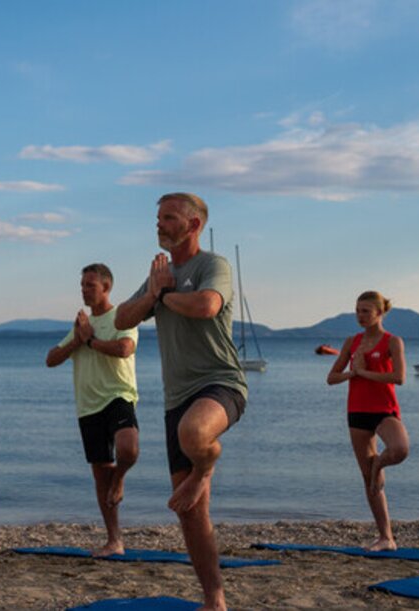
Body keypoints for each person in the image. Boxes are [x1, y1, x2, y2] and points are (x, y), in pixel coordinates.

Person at [114, 192, 247, 611]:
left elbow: (207, 305)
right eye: (158, 217)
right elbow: (121, 318)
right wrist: (153, 293)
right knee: (191, 514)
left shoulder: (213, 266)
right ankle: (214, 599)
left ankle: (206, 466)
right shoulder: (162, 275)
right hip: (176, 397)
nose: (159, 224)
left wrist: (163, 296)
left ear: (193, 225)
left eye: (169, 217)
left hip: (221, 383)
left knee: (195, 432)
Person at [45, 263, 140, 557]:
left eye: (90, 285)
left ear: (106, 287)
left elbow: (124, 349)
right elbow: (51, 359)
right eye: (82, 285)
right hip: (88, 406)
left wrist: (90, 341)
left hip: (118, 395)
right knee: (101, 475)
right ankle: (114, 540)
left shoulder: (122, 316)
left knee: (128, 449)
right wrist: (77, 340)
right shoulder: (81, 327)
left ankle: (120, 479)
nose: (84, 290)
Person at [323, 291, 409, 552]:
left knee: (400, 449)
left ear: (379, 313)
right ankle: (386, 537)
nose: (360, 316)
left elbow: (399, 377)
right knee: (367, 478)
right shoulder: (352, 342)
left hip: (384, 409)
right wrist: (353, 373)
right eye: (357, 310)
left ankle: (379, 464)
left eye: (366, 311)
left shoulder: (392, 341)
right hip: (358, 411)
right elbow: (331, 378)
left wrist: (365, 372)